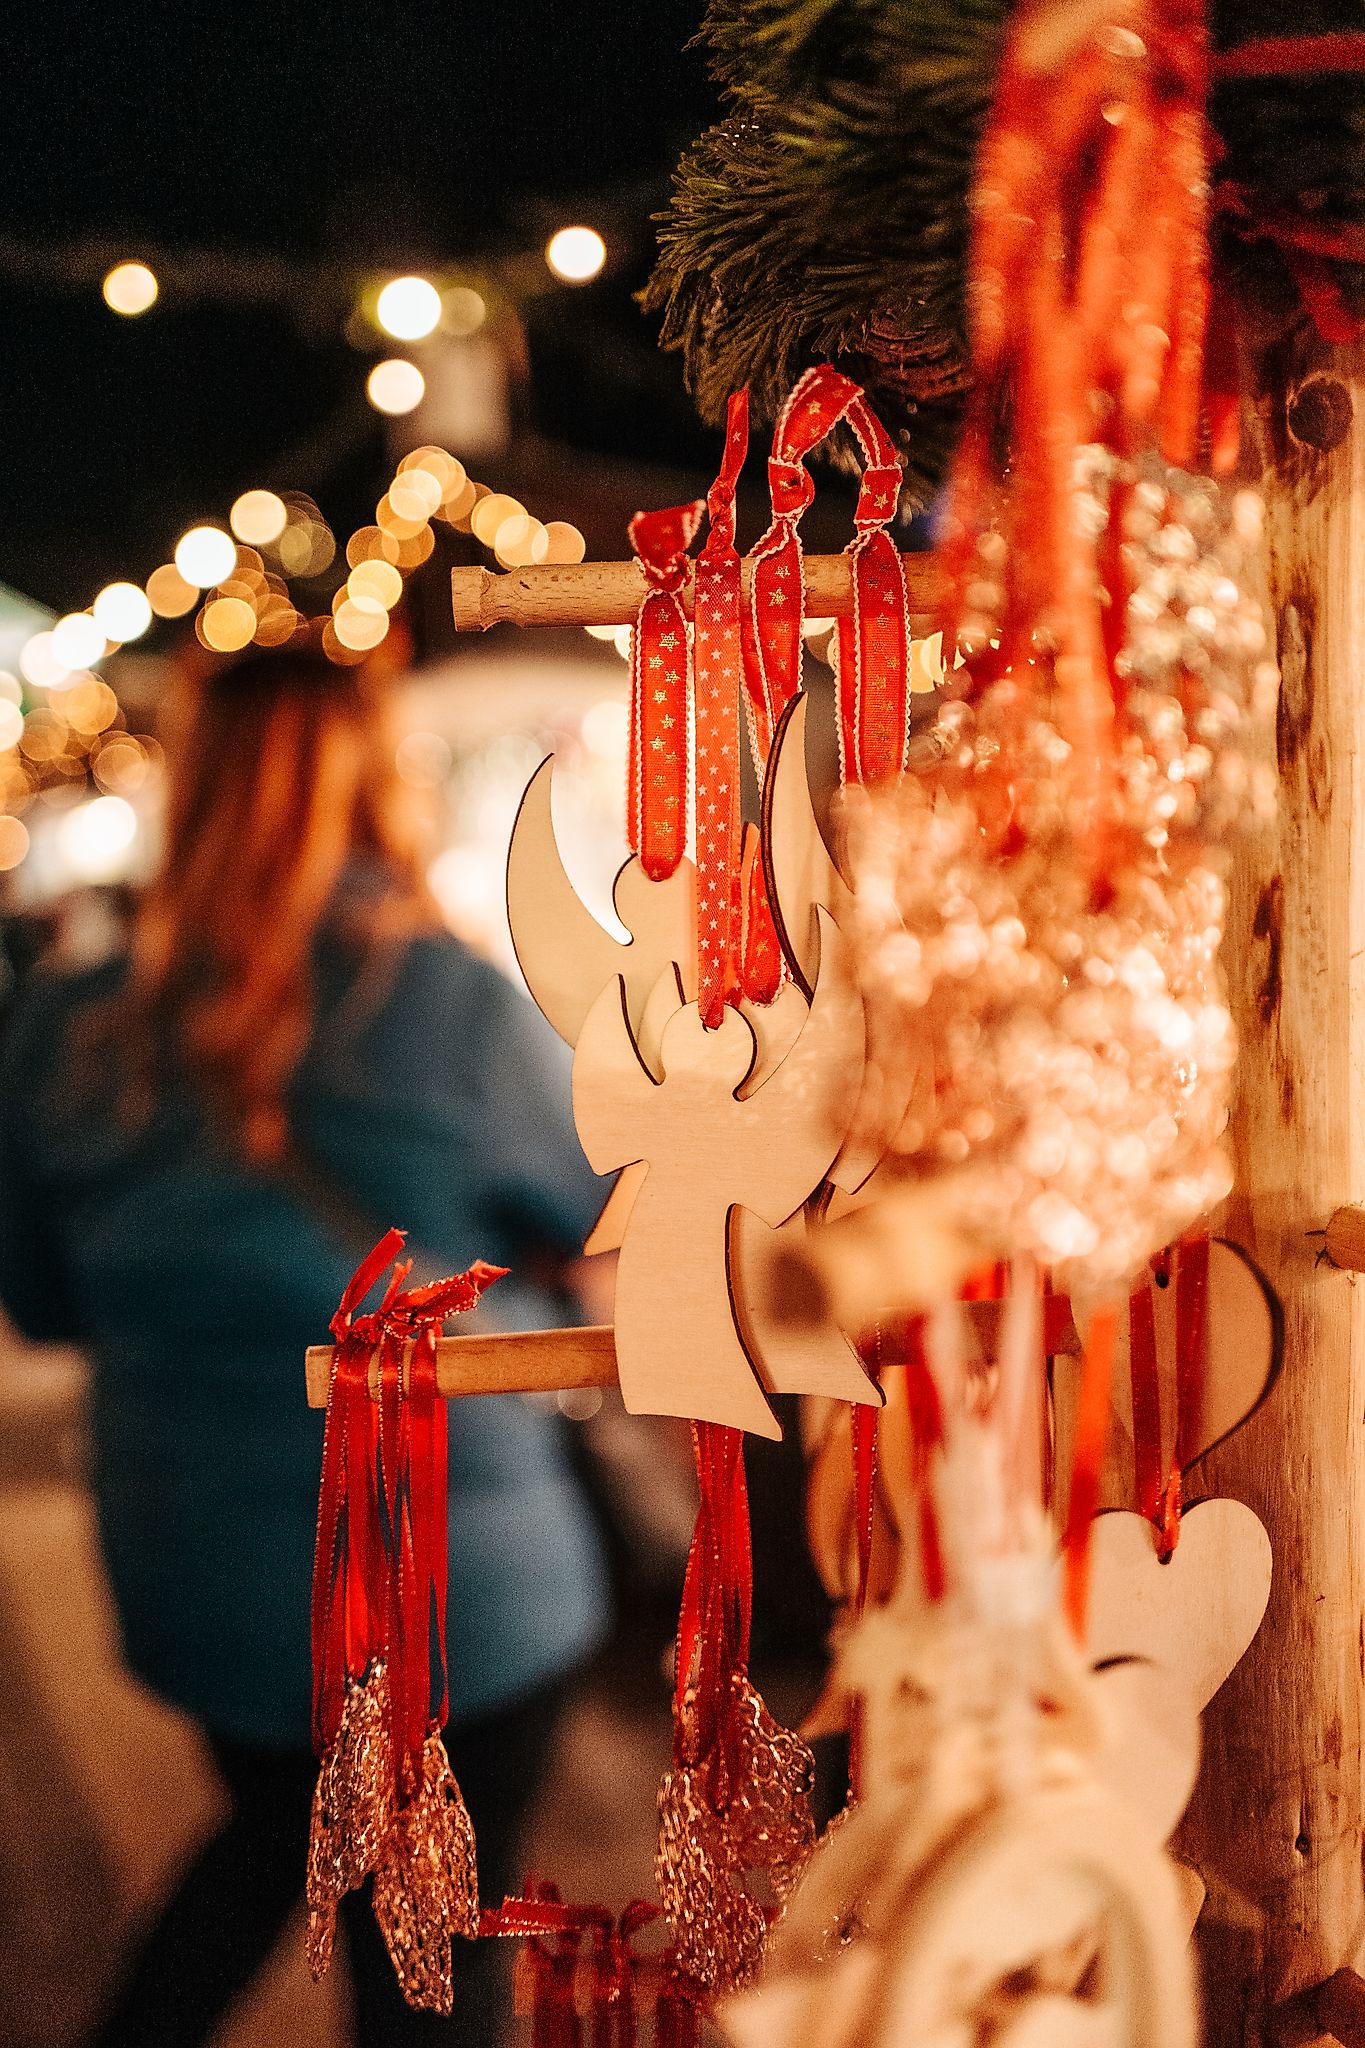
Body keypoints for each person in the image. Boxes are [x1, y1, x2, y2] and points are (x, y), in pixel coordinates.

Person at [0, 644, 612, 2045]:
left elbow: (39, 1304)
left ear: (194, 786)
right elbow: (589, 1213)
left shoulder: (61, 1028)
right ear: (370, 779)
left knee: (276, 1823)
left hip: (200, 1583)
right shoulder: (448, 1004)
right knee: (427, 1950)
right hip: (455, 1590)